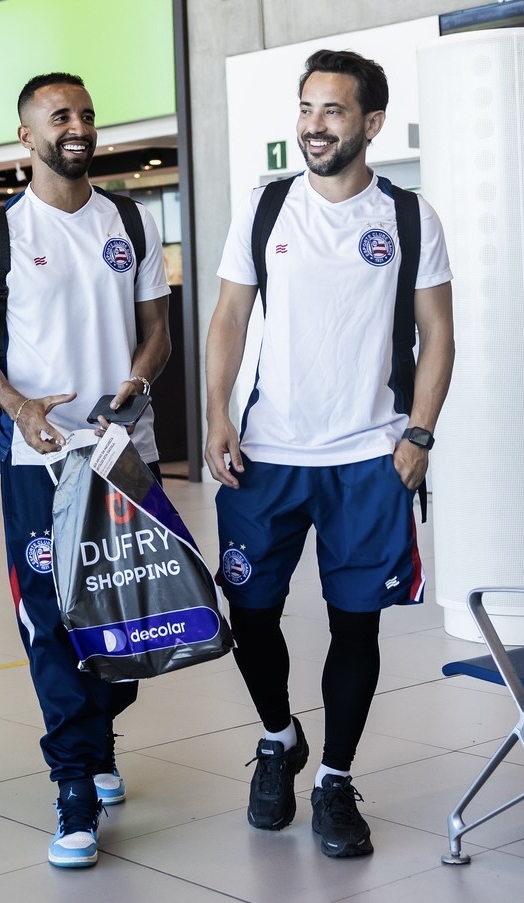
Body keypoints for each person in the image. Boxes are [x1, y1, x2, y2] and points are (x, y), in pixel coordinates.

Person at [205, 49, 454, 859]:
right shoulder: (265, 207)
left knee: (356, 626)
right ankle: (278, 739)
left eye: (332, 111)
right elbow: (229, 319)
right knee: (249, 613)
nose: (313, 126)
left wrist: (416, 433)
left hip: (367, 458)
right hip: (266, 454)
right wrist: (215, 414)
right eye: (306, 109)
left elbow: (437, 332)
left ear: (370, 123)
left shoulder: (409, 217)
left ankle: (335, 778)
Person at [0, 72, 171, 869]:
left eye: (84, 113)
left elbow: (158, 334)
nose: (76, 126)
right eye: (58, 116)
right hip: (37, 461)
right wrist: (20, 406)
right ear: (26, 137)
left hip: (125, 454)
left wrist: (136, 384)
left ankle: (100, 726)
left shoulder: (130, 221)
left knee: (127, 622)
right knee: (49, 619)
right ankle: (73, 779)